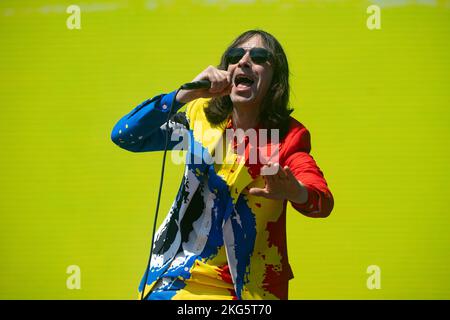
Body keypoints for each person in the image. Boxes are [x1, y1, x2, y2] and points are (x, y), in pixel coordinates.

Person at [111, 29, 334, 300]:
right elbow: (125, 135)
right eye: (236, 55)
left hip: (244, 290)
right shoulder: (199, 117)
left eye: (260, 56)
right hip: (174, 279)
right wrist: (184, 94)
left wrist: (294, 191)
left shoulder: (288, 137)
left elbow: (321, 201)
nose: (244, 61)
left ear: (275, 80)